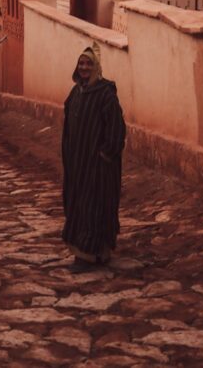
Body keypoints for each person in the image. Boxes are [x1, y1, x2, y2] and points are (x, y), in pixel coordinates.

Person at [62, 44, 126, 272]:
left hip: (99, 166)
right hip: (79, 163)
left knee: (96, 204)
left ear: (96, 67)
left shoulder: (105, 95)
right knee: (81, 204)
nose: (84, 67)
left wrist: (106, 154)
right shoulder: (76, 92)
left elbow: (117, 128)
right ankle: (92, 252)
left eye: (89, 63)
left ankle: (89, 255)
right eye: (81, 63)